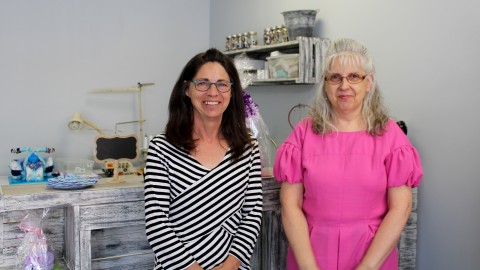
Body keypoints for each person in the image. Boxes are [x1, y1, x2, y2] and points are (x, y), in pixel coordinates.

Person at [273, 38, 423, 270]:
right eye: (335, 77)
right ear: (325, 84)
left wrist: (367, 267)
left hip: (373, 256)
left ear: (369, 82)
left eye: (354, 76)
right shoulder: (303, 133)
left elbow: (400, 209)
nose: (344, 85)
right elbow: (290, 206)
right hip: (311, 256)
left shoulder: (392, 136)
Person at [143, 48, 263, 270]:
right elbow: (156, 220)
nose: (213, 92)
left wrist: (230, 265)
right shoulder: (161, 148)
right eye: (203, 83)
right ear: (187, 89)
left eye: (222, 84)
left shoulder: (247, 148)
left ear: (231, 91)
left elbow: (252, 212)